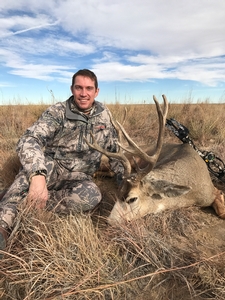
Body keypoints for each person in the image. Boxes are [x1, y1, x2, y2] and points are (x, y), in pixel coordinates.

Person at [0, 69, 123, 257]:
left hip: (81, 177)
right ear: (72, 89)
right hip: (51, 166)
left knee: (92, 196)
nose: (84, 93)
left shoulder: (105, 116)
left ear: (96, 91)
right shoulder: (57, 112)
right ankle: (4, 226)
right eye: (79, 88)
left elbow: (115, 153)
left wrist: (125, 181)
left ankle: (20, 201)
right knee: (28, 176)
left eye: (89, 88)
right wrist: (38, 175)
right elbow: (29, 139)